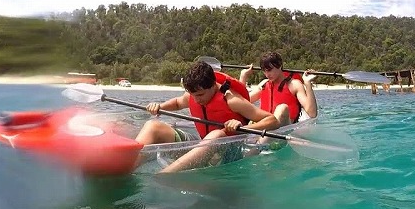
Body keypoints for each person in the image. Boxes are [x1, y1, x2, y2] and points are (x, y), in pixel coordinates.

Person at [135, 60, 279, 173]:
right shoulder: (195, 93)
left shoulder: (232, 100)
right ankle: (127, 167)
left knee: (217, 134)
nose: (196, 100)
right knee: (153, 126)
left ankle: (163, 177)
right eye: (193, 95)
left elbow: (272, 120)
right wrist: (160, 106)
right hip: (201, 147)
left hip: (226, 155)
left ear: (213, 85)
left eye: (200, 95)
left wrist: (242, 127)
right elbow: (178, 103)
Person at [239, 51, 318, 126]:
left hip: (283, 127)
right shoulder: (264, 84)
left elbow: (312, 114)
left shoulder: (294, 85)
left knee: (282, 108)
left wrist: (307, 83)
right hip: (264, 125)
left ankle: (256, 132)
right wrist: (243, 77)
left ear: (280, 66)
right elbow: (241, 102)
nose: (267, 74)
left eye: (269, 70)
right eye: (264, 71)